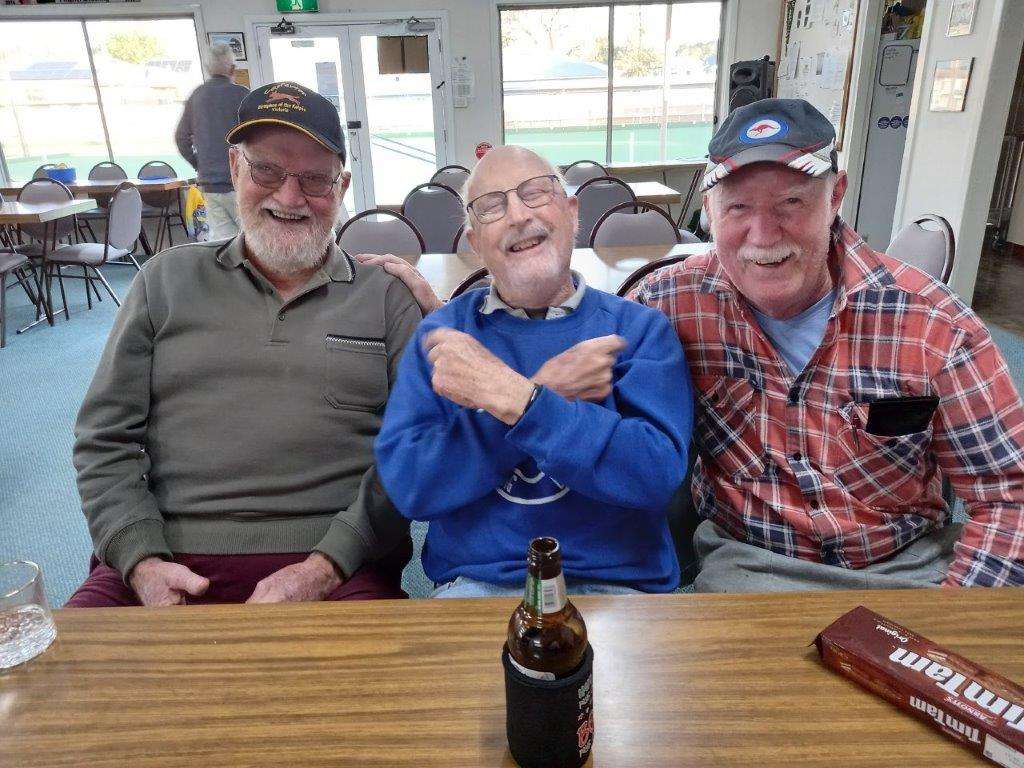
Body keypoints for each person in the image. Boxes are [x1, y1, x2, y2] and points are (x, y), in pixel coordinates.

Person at [628, 98, 1024, 591]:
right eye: (738, 207)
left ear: (835, 196)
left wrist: (951, 620)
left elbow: (1008, 495)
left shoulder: (935, 326)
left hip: (906, 567)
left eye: (791, 203)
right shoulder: (666, 304)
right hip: (749, 567)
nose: (763, 234)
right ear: (708, 210)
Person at [68, 82, 421, 607]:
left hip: (336, 563)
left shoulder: (386, 297)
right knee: (61, 683)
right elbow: (103, 440)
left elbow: (413, 453)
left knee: (387, 686)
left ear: (342, 186)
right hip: (166, 557)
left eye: (315, 179)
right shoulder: (164, 280)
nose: (290, 196)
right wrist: (141, 560)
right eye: (267, 171)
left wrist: (325, 567)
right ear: (234, 169)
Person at [372, 146, 693, 598]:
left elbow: (655, 478)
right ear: (472, 242)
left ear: (571, 211)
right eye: (491, 207)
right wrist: (544, 393)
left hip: (621, 583)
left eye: (537, 193)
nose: (518, 215)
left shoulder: (637, 330)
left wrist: (522, 401)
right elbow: (411, 488)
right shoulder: (445, 338)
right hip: (480, 582)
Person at [174, 43, 249, 240]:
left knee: (224, 243)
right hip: (242, 182)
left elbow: (181, 138)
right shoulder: (242, 95)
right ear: (232, 69)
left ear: (208, 69)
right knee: (253, 240)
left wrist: (199, 164)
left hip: (210, 185)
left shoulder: (196, 96)